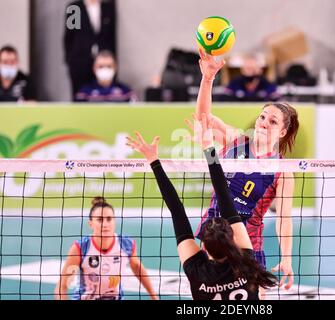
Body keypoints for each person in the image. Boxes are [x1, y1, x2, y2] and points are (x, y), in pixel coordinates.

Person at [126, 117, 278, 300]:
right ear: (233, 239)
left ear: (203, 246)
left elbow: (177, 209)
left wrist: (153, 161)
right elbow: (219, 196)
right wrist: (208, 147)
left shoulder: (199, 269)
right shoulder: (246, 261)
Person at [186, 49, 299, 292]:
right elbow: (202, 119)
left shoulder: (282, 171)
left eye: (272, 121)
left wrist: (287, 257)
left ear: (282, 132)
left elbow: (284, 218)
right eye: (262, 117)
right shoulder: (236, 140)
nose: (263, 123)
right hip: (216, 238)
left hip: (249, 247)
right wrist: (207, 79)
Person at [54, 196, 158, 300]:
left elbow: (136, 266)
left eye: (109, 219)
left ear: (114, 221)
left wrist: (154, 296)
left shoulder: (126, 245)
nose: (105, 224)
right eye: (100, 220)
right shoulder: (80, 248)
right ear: (90, 223)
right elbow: (61, 287)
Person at [64, 0, 116, 99]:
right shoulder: (75, 9)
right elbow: (69, 36)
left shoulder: (107, 8)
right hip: (80, 60)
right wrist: (70, 60)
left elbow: (111, 37)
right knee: (79, 94)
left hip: (102, 61)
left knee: (103, 94)